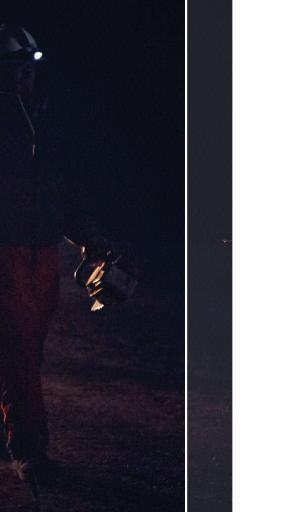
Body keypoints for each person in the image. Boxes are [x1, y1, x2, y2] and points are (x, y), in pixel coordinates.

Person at [0, 24, 109, 486]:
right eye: (16, 68)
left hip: (40, 251)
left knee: (26, 347)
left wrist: (90, 239)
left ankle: (18, 433)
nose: (25, 76)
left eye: (29, 67)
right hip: (7, 250)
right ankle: (28, 448)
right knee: (20, 350)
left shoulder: (44, 120)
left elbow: (61, 188)